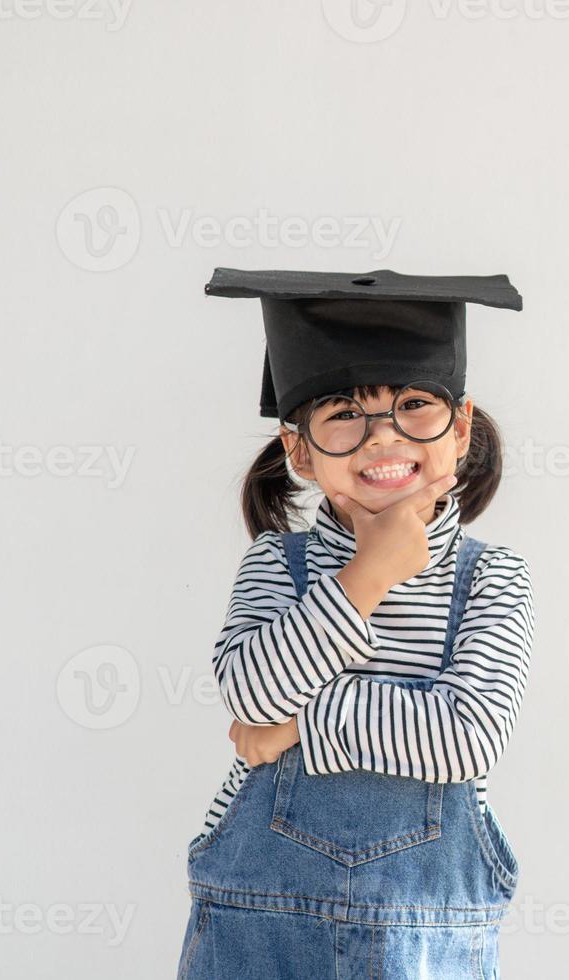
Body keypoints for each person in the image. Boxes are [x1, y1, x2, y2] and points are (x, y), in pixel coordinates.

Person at [176, 268, 533, 979]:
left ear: (459, 429)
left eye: (413, 404)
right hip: (259, 936)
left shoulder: (492, 579)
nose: (382, 437)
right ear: (299, 450)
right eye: (343, 412)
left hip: (425, 943)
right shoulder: (276, 565)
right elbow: (251, 698)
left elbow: (466, 738)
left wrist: (299, 729)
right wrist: (365, 575)